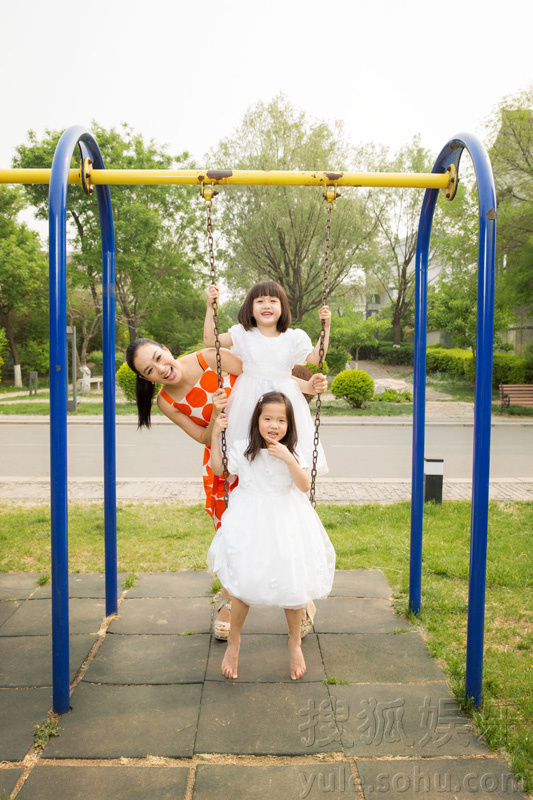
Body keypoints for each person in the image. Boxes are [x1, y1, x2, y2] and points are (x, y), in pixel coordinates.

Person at [126, 337, 327, 639]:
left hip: (263, 447)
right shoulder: (166, 401)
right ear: (146, 379)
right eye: (149, 370)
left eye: (158, 357)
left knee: (283, 522)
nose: (160, 369)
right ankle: (229, 601)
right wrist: (217, 419)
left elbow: (264, 374)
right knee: (233, 532)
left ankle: (301, 598)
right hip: (223, 458)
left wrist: (306, 388)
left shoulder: (209, 358)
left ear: (167, 349)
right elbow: (202, 437)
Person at [207, 391, 336, 680]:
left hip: (287, 519)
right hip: (250, 518)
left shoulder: (294, 450)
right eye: (267, 418)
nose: (273, 425)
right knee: (243, 582)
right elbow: (219, 470)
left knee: (292, 582)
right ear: (257, 420)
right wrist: (216, 435)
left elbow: (303, 486)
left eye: (281, 419)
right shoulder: (243, 448)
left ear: (289, 424)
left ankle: (294, 642)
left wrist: (290, 459)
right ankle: (235, 641)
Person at [204, 280, 331, 476]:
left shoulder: (292, 337)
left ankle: (286, 489)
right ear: (250, 309)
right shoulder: (244, 334)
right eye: (260, 301)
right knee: (247, 447)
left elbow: (316, 357)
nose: (266, 305)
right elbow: (210, 340)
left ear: (282, 307)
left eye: (273, 301)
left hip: (285, 397)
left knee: (288, 447)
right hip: (249, 398)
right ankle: (250, 489)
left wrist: (326, 326)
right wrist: (210, 306)